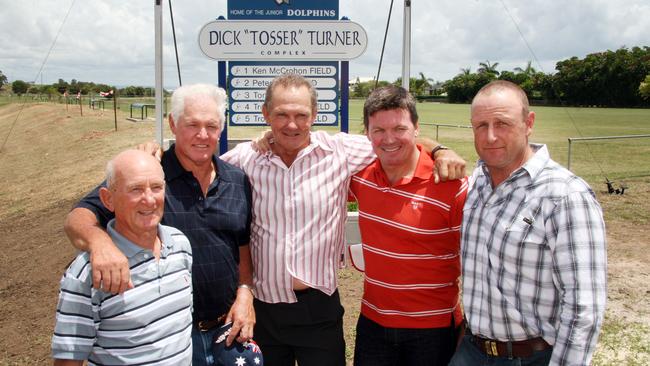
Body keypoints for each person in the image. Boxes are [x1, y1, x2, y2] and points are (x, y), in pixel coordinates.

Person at [222, 73, 466, 366]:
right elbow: (202, 172)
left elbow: (395, 137)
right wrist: (152, 152)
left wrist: (440, 149)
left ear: (314, 115)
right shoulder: (245, 158)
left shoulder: (340, 151)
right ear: (265, 115)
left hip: (320, 309)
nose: (291, 124)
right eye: (281, 115)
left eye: (301, 115)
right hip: (263, 310)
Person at [63, 84, 254, 366]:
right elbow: (78, 218)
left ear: (221, 129)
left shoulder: (237, 180)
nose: (202, 135)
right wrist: (100, 243)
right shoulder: (150, 175)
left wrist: (245, 292)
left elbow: (242, 246)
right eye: (192, 125)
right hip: (171, 339)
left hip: (227, 331)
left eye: (211, 126)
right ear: (173, 124)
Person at [448, 80, 607, 366]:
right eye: (481, 125)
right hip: (472, 350)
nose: (491, 136)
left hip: (531, 356)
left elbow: (583, 308)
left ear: (528, 122)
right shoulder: (477, 185)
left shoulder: (564, 195)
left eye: (502, 123)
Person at [348, 86, 468, 366]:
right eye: (378, 130)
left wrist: (438, 149)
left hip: (433, 330)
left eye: (399, 128)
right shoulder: (360, 177)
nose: (388, 139)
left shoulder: (452, 185)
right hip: (373, 324)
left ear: (416, 128)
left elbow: (477, 264)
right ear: (367, 133)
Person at [52, 150, 193, 365]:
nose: (149, 200)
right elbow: (69, 360)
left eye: (156, 187)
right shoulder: (87, 273)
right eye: (135, 189)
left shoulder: (180, 245)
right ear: (108, 199)